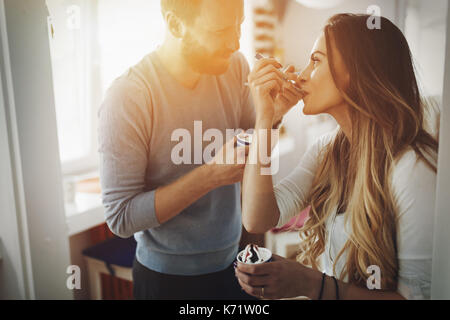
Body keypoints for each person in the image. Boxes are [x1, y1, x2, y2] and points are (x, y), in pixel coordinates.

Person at [97, 0, 302, 299]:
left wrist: (272, 115)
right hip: (166, 281)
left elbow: (254, 146)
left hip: (235, 265)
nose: (234, 42)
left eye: (239, 25)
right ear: (176, 24)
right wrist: (210, 176)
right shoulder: (128, 96)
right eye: (220, 31)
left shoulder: (235, 68)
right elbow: (121, 219)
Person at [235, 13, 439, 300]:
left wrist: (313, 285)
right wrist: (267, 119)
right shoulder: (328, 150)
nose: (302, 74)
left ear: (358, 71)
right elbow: (257, 218)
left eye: (316, 61)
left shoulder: (412, 166)